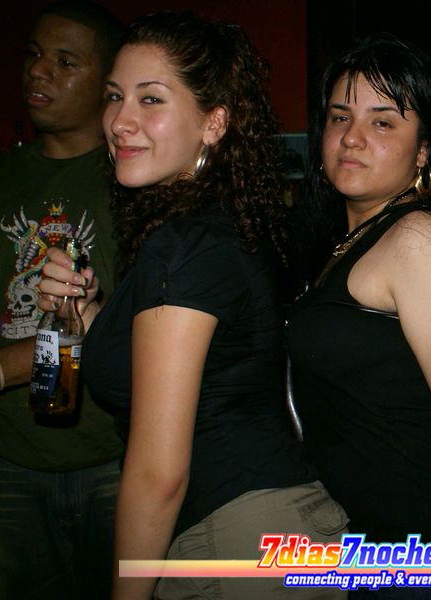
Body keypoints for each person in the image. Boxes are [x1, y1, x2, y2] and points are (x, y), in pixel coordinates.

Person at [40, 11, 347, 599]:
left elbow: (158, 474)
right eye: (114, 96)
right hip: (260, 534)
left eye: (150, 99)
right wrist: (88, 313)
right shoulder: (206, 229)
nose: (120, 121)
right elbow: (209, 373)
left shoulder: (185, 244)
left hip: (237, 541)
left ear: (214, 123)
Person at [286, 33, 431, 600]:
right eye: (340, 117)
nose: (351, 137)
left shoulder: (421, 239)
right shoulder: (346, 242)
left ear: (424, 150)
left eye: (382, 122)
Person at [0, 3, 124, 598]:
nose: (38, 71)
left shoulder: (135, 182)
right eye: (34, 55)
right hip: (5, 460)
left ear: (108, 81)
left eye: (66, 62)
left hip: (114, 458)